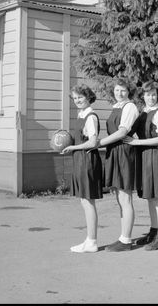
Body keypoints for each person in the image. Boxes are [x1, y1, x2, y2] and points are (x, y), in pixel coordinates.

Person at [123, 81, 158, 250]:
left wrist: (137, 142)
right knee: (150, 197)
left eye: (153, 94)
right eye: (147, 94)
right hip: (144, 155)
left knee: (157, 197)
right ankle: (154, 230)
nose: (150, 97)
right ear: (142, 96)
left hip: (154, 154)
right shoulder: (143, 112)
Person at [95, 78, 139, 252]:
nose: (119, 93)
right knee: (120, 198)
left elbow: (122, 132)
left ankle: (126, 240)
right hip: (114, 151)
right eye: (117, 90)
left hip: (124, 152)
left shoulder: (130, 107)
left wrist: (100, 143)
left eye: (123, 90)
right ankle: (123, 236)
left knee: (125, 197)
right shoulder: (117, 107)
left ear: (129, 91)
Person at [61, 84, 103, 253]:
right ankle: (88, 240)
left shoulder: (91, 116)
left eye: (81, 97)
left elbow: (93, 143)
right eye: (75, 98)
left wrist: (73, 148)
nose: (78, 100)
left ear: (88, 97)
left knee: (88, 201)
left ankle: (92, 241)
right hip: (80, 158)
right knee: (84, 201)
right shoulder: (81, 115)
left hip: (87, 160)